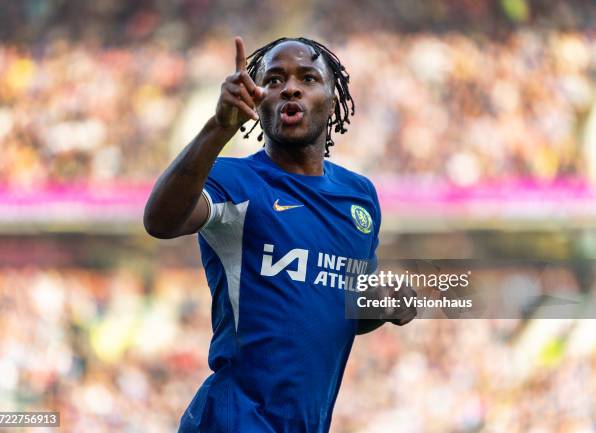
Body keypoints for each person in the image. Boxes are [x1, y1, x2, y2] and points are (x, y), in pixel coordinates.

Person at [144, 36, 416, 433]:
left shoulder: (360, 198)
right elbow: (161, 221)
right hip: (232, 421)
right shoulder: (231, 180)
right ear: (257, 102)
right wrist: (218, 127)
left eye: (308, 77)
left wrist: (385, 305)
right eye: (273, 80)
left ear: (333, 99)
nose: (290, 87)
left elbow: (340, 306)